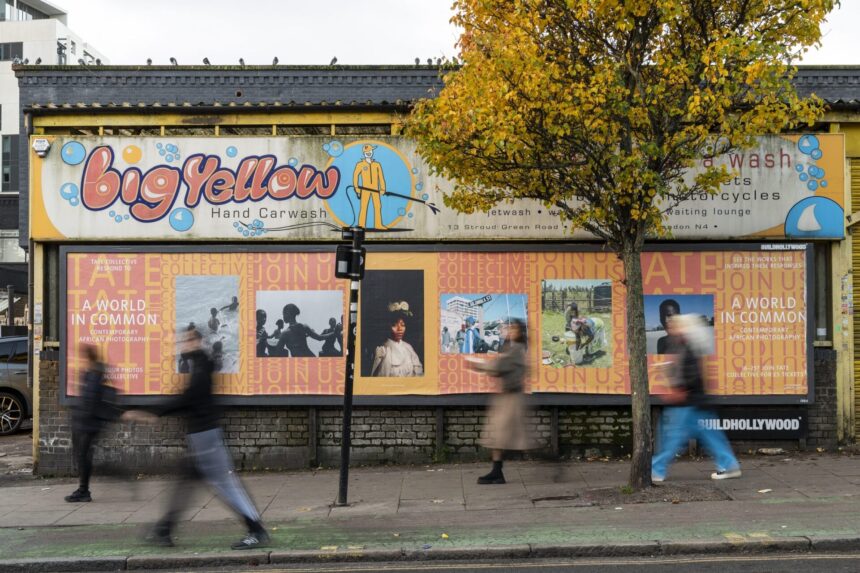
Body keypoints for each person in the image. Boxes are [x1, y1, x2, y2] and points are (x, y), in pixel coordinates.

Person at [123, 329, 269, 550]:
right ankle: (164, 530)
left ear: (199, 342)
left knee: (226, 485)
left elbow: (187, 398)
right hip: (201, 438)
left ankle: (257, 531)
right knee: (184, 484)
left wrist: (152, 413)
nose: (184, 344)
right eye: (184, 340)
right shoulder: (200, 364)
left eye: (190, 340)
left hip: (206, 439)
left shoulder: (201, 369)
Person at [651, 314, 742, 483]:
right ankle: (729, 465)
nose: (671, 327)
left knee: (671, 437)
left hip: (686, 401)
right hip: (697, 401)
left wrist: (677, 391)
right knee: (710, 435)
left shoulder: (687, 347)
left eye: (675, 325)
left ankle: (656, 468)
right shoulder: (684, 345)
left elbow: (691, 375)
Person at [466, 319, 530, 484]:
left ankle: (551, 461)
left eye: (513, 328)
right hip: (506, 397)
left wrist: (477, 365)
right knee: (499, 437)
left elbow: (497, 367)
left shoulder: (516, 350)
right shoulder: (511, 348)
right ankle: (497, 471)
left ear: (520, 331)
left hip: (511, 399)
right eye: (509, 327)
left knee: (501, 437)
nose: (510, 330)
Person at [65, 344, 118, 503]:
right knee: (84, 456)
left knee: (84, 456)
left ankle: (84, 490)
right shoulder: (93, 373)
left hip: (89, 423)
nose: (80, 360)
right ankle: (83, 489)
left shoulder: (94, 375)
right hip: (89, 422)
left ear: (88, 358)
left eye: (82, 358)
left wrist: (81, 419)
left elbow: (89, 401)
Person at [371, 302, 423, 377]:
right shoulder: (384, 351)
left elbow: (419, 373)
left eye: (402, 325)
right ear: (388, 326)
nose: (400, 329)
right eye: (394, 325)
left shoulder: (408, 347)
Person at [352, 143, 387, 229]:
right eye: (367, 151)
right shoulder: (360, 164)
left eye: (370, 151)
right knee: (364, 206)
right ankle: (361, 225)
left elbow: (381, 177)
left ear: (372, 152)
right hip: (365, 189)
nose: (369, 152)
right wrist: (356, 188)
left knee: (378, 206)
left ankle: (378, 224)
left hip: (376, 189)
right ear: (364, 152)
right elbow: (355, 176)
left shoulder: (377, 164)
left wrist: (383, 188)